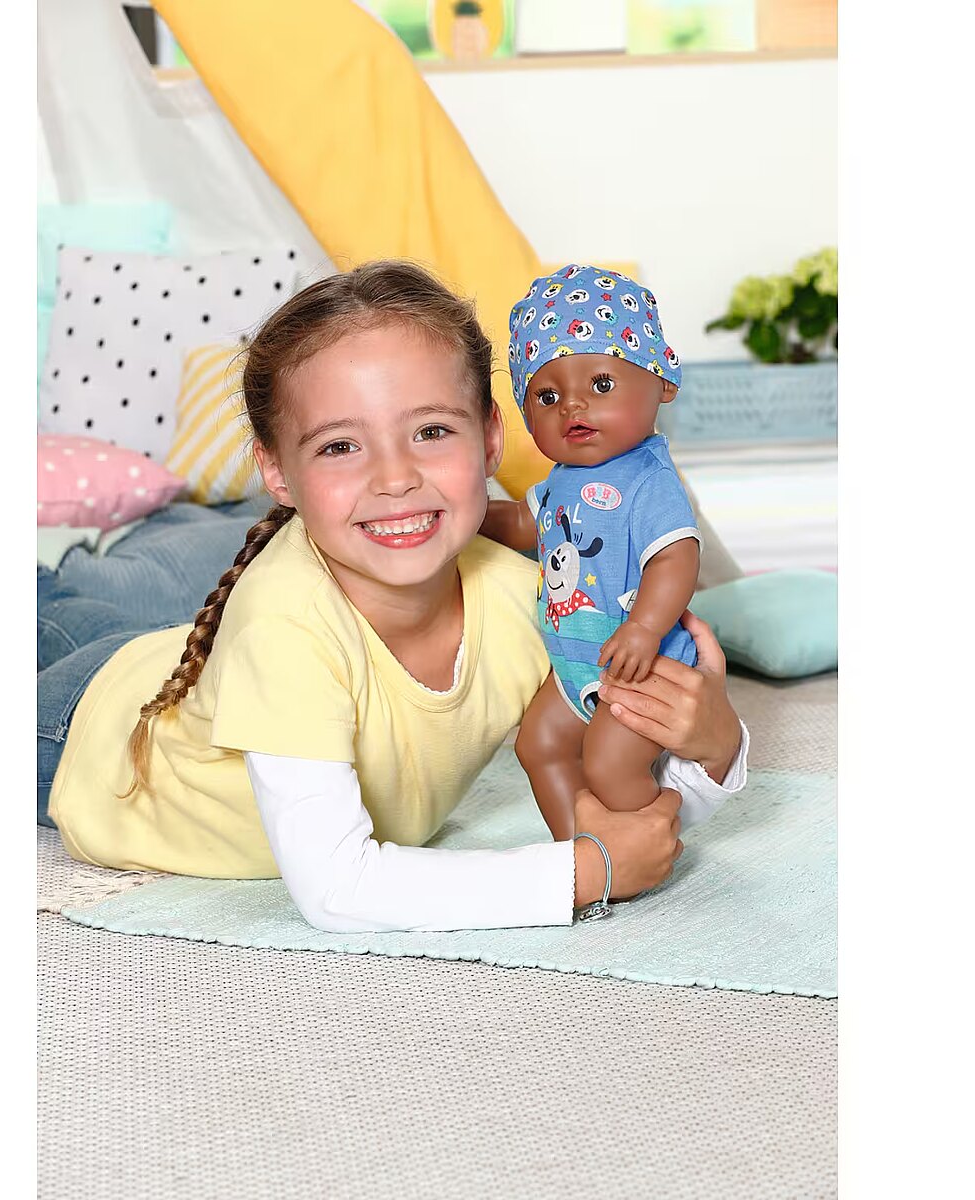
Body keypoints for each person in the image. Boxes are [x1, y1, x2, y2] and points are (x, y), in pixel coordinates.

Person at [39, 260, 749, 934]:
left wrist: (715, 746)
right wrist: (584, 873)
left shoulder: (529, 598)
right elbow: (338, 889)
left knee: (88, 598)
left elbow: (639, 823)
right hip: (86, 731)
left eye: (431, 431)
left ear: (491, 436)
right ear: (276, 471)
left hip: (183, 656)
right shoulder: (283, 630)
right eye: (340, 446)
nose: (395, 478)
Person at [479, 265, 715, 841]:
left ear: (662, 384)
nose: (573, 406)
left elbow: (675, 556)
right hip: (576, 661)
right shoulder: (559, 480)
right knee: (539, 745)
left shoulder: (648, 476)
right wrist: (463, 514)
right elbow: (522, 524)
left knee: (610, 763)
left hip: (642, 664)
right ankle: (581, 851)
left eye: (602, 385)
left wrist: (644, 628)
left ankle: (648, 846)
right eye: (548, 395)